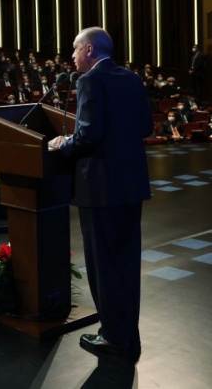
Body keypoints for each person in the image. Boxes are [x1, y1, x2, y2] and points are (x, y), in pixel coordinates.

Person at [48, 27, 152, 360]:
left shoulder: (90, 80)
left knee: (104, 266)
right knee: (125, 264)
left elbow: (89, 136)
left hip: (100, 189)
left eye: (75, 49)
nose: (73, 56)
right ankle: (126, 335)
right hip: (131, 185)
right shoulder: (132, 78)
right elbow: (147, 127)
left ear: (90, 50)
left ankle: (113, 337)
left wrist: (64, 145)